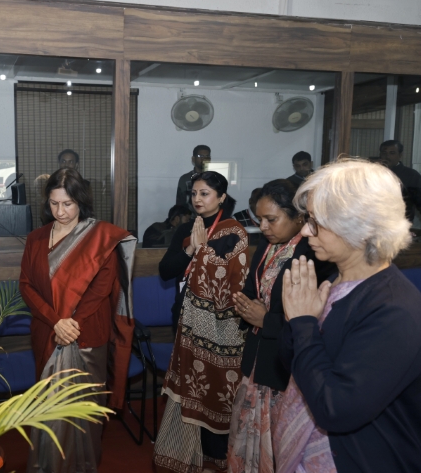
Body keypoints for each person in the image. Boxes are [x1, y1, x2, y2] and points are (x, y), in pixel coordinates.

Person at [275, 159, 421, 472]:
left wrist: (303, 324)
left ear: (359, 226)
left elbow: (336, 409)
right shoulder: (333, 281)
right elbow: (294, 364)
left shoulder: (394, 310)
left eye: (316, 221)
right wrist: (295, 320)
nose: (304, 230)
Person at [19, 168, 136, 473]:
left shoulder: (101, 238)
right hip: (47, 333)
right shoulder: (36, 238)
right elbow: (26, 285)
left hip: (86, 335)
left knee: (84, 409)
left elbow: (101, 288)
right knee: (48, 407)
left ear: (81, 201)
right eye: (54, 203)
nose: (60, 211)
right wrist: (55, 321)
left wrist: (70, 324)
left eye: (68, 204)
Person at [226, 180, 335, 473]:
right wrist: (244, 305)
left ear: (299, 217)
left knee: (278, 445)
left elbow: (316, 318)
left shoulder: (315, 253)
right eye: (259, 219)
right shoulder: (266, 244)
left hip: (285, 364)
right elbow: (253, 288)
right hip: (257, 355)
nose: (263, 226)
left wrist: (265, 320)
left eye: (271, 219)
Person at [155, 171, 249, 473]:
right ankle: (187, 451)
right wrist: (191, 249)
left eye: (205, 193)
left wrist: (205, 250)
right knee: (190, 383)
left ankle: (214, 455)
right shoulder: (186, 228)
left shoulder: (234, 231)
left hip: (223, 325)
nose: (197, 199)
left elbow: (236, 279)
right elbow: (166, 271)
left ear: (221, 197)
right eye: (194, 193)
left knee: (214, 386)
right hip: (185, 317)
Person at [379, 139, 421, 221]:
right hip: (373, 222)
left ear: (400, 155)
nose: (387, 156)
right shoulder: (372, 173)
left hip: (400, 223)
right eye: (384, 153)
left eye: (392, 153)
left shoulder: (411, 175)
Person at [176, 145, 211, 211]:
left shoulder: (215, 178)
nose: (204, 159)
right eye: (200, 156)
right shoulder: (185, 179)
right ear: (193, 159)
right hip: (190, 215)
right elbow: (180, 205)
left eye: (207, 156)